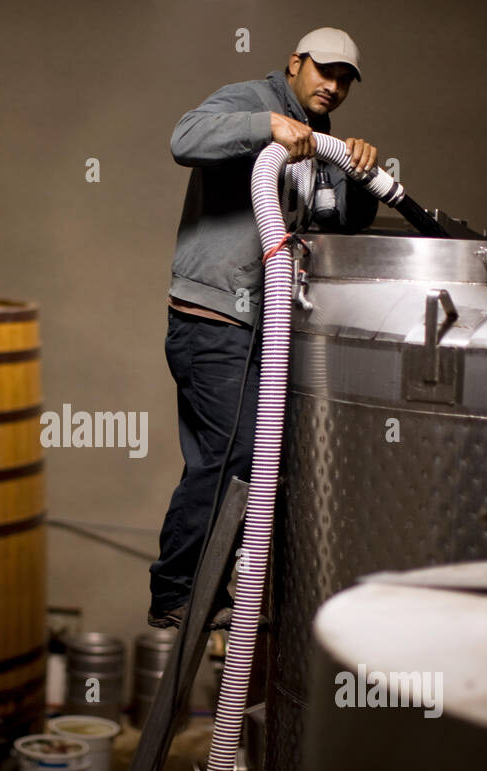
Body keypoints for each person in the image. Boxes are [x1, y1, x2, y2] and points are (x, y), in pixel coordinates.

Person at [148, 27, 382, 630]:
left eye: (344, 79)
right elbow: (184, 136)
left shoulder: (323, 145)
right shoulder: (249, 100)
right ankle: (177, 590)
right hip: (214, 320)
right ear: (295, 63)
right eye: (323, 70)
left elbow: (338, 225)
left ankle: (230, 589)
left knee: (251, 459)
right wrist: (265, 128)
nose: (332, 85)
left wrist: (357, 174)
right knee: (236, 455)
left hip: (271, 331)